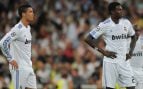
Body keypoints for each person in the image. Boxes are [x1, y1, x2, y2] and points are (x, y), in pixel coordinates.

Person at [84, 2, 137, 89]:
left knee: (131, 87)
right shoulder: (105, 24)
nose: (121, 11)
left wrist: (130, 52)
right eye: (119, 10)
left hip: (124, 61)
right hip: (110, 62)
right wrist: (103, 52)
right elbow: (87, 39)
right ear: (112, 12)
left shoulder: (126, 23)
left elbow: (134, 37)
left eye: (121, 9)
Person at [0, 4, 37, 89]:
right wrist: (10, 59)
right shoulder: (18, 29)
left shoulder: (28, 28)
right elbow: (3, 43)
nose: (33, 14)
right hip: (19, 68)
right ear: (23, 14)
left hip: (28, 66)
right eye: (30, 12)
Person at [129, 25, 143, 89]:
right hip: (130, 69)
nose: (137, 32)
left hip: (140, 70)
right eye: (135, 31)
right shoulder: (126, 42)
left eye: (138, 31)